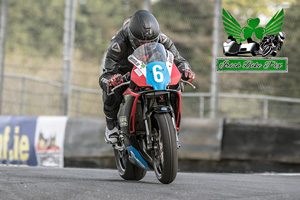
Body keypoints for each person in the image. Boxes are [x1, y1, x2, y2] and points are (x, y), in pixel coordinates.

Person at [99, 10, 195, 144]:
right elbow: (106, 74)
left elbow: (179, 60)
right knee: (111, 88)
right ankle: (111, 124)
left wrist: (185, 70)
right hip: (125, 70)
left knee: (176, 83)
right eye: (141, 42)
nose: (146, 45)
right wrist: (113, 80)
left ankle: (172, 125)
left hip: (150, 68)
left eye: (150, 41)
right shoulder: (118, 43)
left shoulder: (162, 39)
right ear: (132, 38)